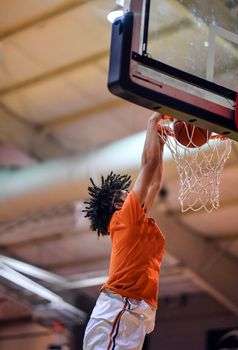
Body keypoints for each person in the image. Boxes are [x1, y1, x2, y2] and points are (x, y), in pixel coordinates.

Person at [82, 112, 165, 350]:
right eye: (124, 194)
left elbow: (156, 181)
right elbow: (148, 167)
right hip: (120, 308)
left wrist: (159, 140)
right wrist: (152, 122)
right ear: (118, 205)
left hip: (130, 310)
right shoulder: (124, 218)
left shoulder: (134, 220)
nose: (130, 193)